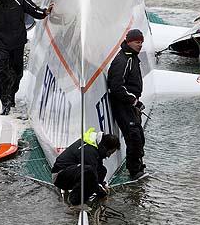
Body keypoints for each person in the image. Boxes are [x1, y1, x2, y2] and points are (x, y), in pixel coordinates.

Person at [107, 29, 146, 180]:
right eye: (137, 42)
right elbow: (116, 86)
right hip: (123, 104)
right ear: (129, 41)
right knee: (134, 137)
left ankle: (139, 166)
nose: (140, 45)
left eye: (141, 42)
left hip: (130, 104)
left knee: (139, 136)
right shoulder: (123, 59)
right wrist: (134, 101)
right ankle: (134, 171)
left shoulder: (132, 56)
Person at [51, 128, 120, 208]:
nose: (108, 156)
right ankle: (75, 202)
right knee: (89, 171)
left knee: (102, 170)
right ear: (105, 148)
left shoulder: (95, 146)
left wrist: (102, 185)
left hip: (71, 172)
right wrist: (102, 194)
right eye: (110, 153)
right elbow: (92, 177)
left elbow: (98, 171)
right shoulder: (89, 151)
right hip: (60, 177)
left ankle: (86, 196)